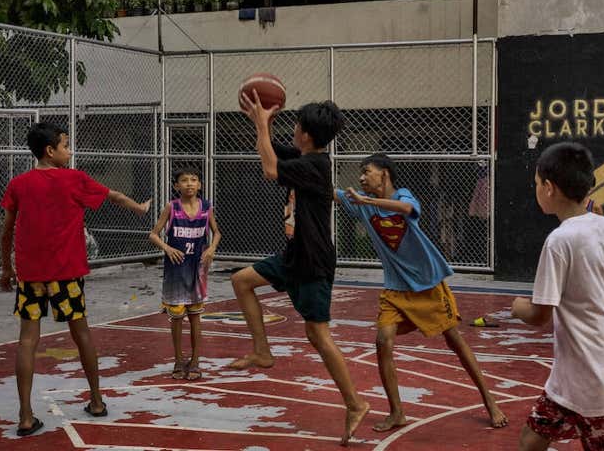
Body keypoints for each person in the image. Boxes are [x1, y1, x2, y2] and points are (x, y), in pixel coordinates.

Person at [227, 92, 369, 445]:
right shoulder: (306, 156)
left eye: (296, 125)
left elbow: (269, 168)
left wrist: (262, 125)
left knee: (317, 335)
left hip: (314, 262)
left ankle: (355, 404)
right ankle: (262, 351)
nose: (293, 130)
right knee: (242, 281)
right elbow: (271, 149)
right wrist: (262, 121)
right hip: (295, 255)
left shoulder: (314, 166)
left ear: (306, 134)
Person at [0, 123, 152, 437]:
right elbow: (115, 195)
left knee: (27, 340)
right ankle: (96, 400)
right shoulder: (74, 179)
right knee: (81, 333)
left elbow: (7, 231)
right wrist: (140, 208)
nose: (69, 151)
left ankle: (26, 417)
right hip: (66, 274)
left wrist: (6, 268)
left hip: (30, 275)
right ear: (50, 151)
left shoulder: (19, 184)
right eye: (65, 146)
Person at [336, 154, 508, 432]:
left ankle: (490, 401)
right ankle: (397, 412)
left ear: (385, 174)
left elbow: (406, 208)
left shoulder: (402, 195)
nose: (361, 177)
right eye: (360, 173)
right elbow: (327, 190)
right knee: (383, 340)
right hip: (395, 288)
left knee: (455, 340)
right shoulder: (361, 204)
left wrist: (369, 202)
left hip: (428, 284)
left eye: (367, 171)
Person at [511, 142, 604, 451]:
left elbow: (540, 314)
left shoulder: (558, 241)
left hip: (593, 383)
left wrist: (518, 307)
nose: (536, 189)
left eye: (537, 184)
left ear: (549, 188)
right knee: (530, 442)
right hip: (570, 382)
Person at [148, 167, 222, 381]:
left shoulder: (206, 208)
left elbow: (217, 232)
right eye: (184, 180)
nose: (189, 183)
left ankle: (196, 360)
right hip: (176, 271)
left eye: (194, 180)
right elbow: (153, 234)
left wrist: (212, 248)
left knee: (196, 317)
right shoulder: (172, 207)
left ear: (199, 184)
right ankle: (179, 360)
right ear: (176, 186)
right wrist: (168, 248)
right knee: (177, 318)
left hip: (197, 269)